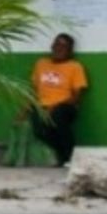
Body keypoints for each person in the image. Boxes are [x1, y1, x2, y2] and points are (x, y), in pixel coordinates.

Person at [28, 33, 88, 167]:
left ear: (70, 51)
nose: (59, 48)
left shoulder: (75, 67)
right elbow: (33, 91)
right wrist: (23, 111)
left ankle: (70, 156)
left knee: (57, 117)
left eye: (63, 46)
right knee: (38, 129)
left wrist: (55, 106)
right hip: (42, 106)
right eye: (57, 44)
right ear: (52, 46)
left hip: (65, 106)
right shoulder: (41, 64)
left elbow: (77, 96)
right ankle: (61, 154)